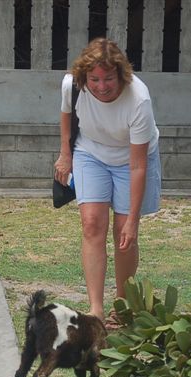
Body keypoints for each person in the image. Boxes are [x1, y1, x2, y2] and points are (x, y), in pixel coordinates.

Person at [54, 38, 161, 325]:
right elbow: (66, 115)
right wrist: (65, 155)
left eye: (109, 78)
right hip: (91, 152)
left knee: (124, 234)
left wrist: (133, 220)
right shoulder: (72, 85)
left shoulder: (139, 99)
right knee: (91, 224)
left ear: (121, 75)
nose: (101, 86)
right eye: (95, 79)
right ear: (84, 77)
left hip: (131, 159)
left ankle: (121, 306)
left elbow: (138, 165)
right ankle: (96, 310)